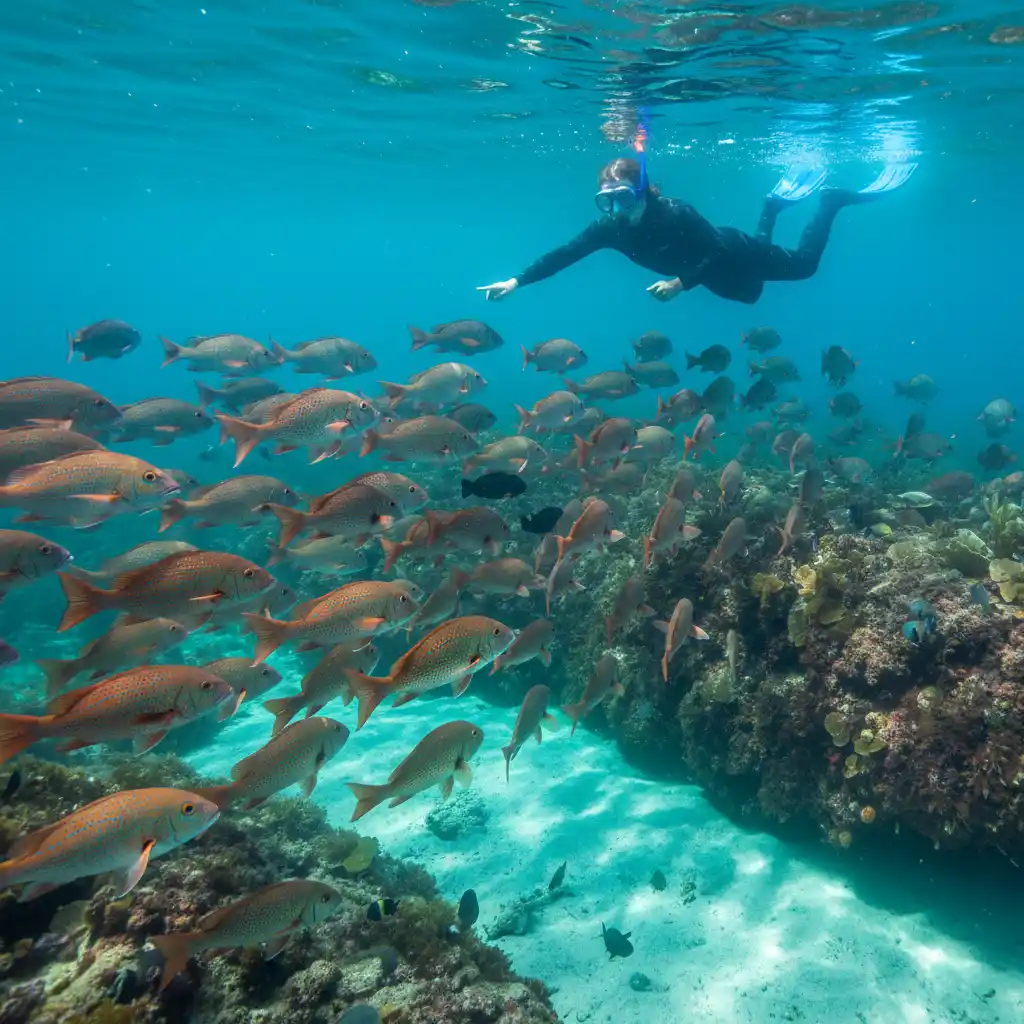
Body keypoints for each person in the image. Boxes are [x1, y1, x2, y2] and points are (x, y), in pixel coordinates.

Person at [477, 159, 915, 306]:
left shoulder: (676, 213)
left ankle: (830, 201)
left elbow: (718, 250)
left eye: (625, 198)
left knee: (804, 268)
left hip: (728, 250)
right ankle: (772, 206)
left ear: (645, 193)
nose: (616, 210)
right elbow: (564, 254)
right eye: (607, 200)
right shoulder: (609, 229)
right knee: (751, 297)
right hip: (709, 275)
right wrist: (516, 281)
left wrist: (680, 283)